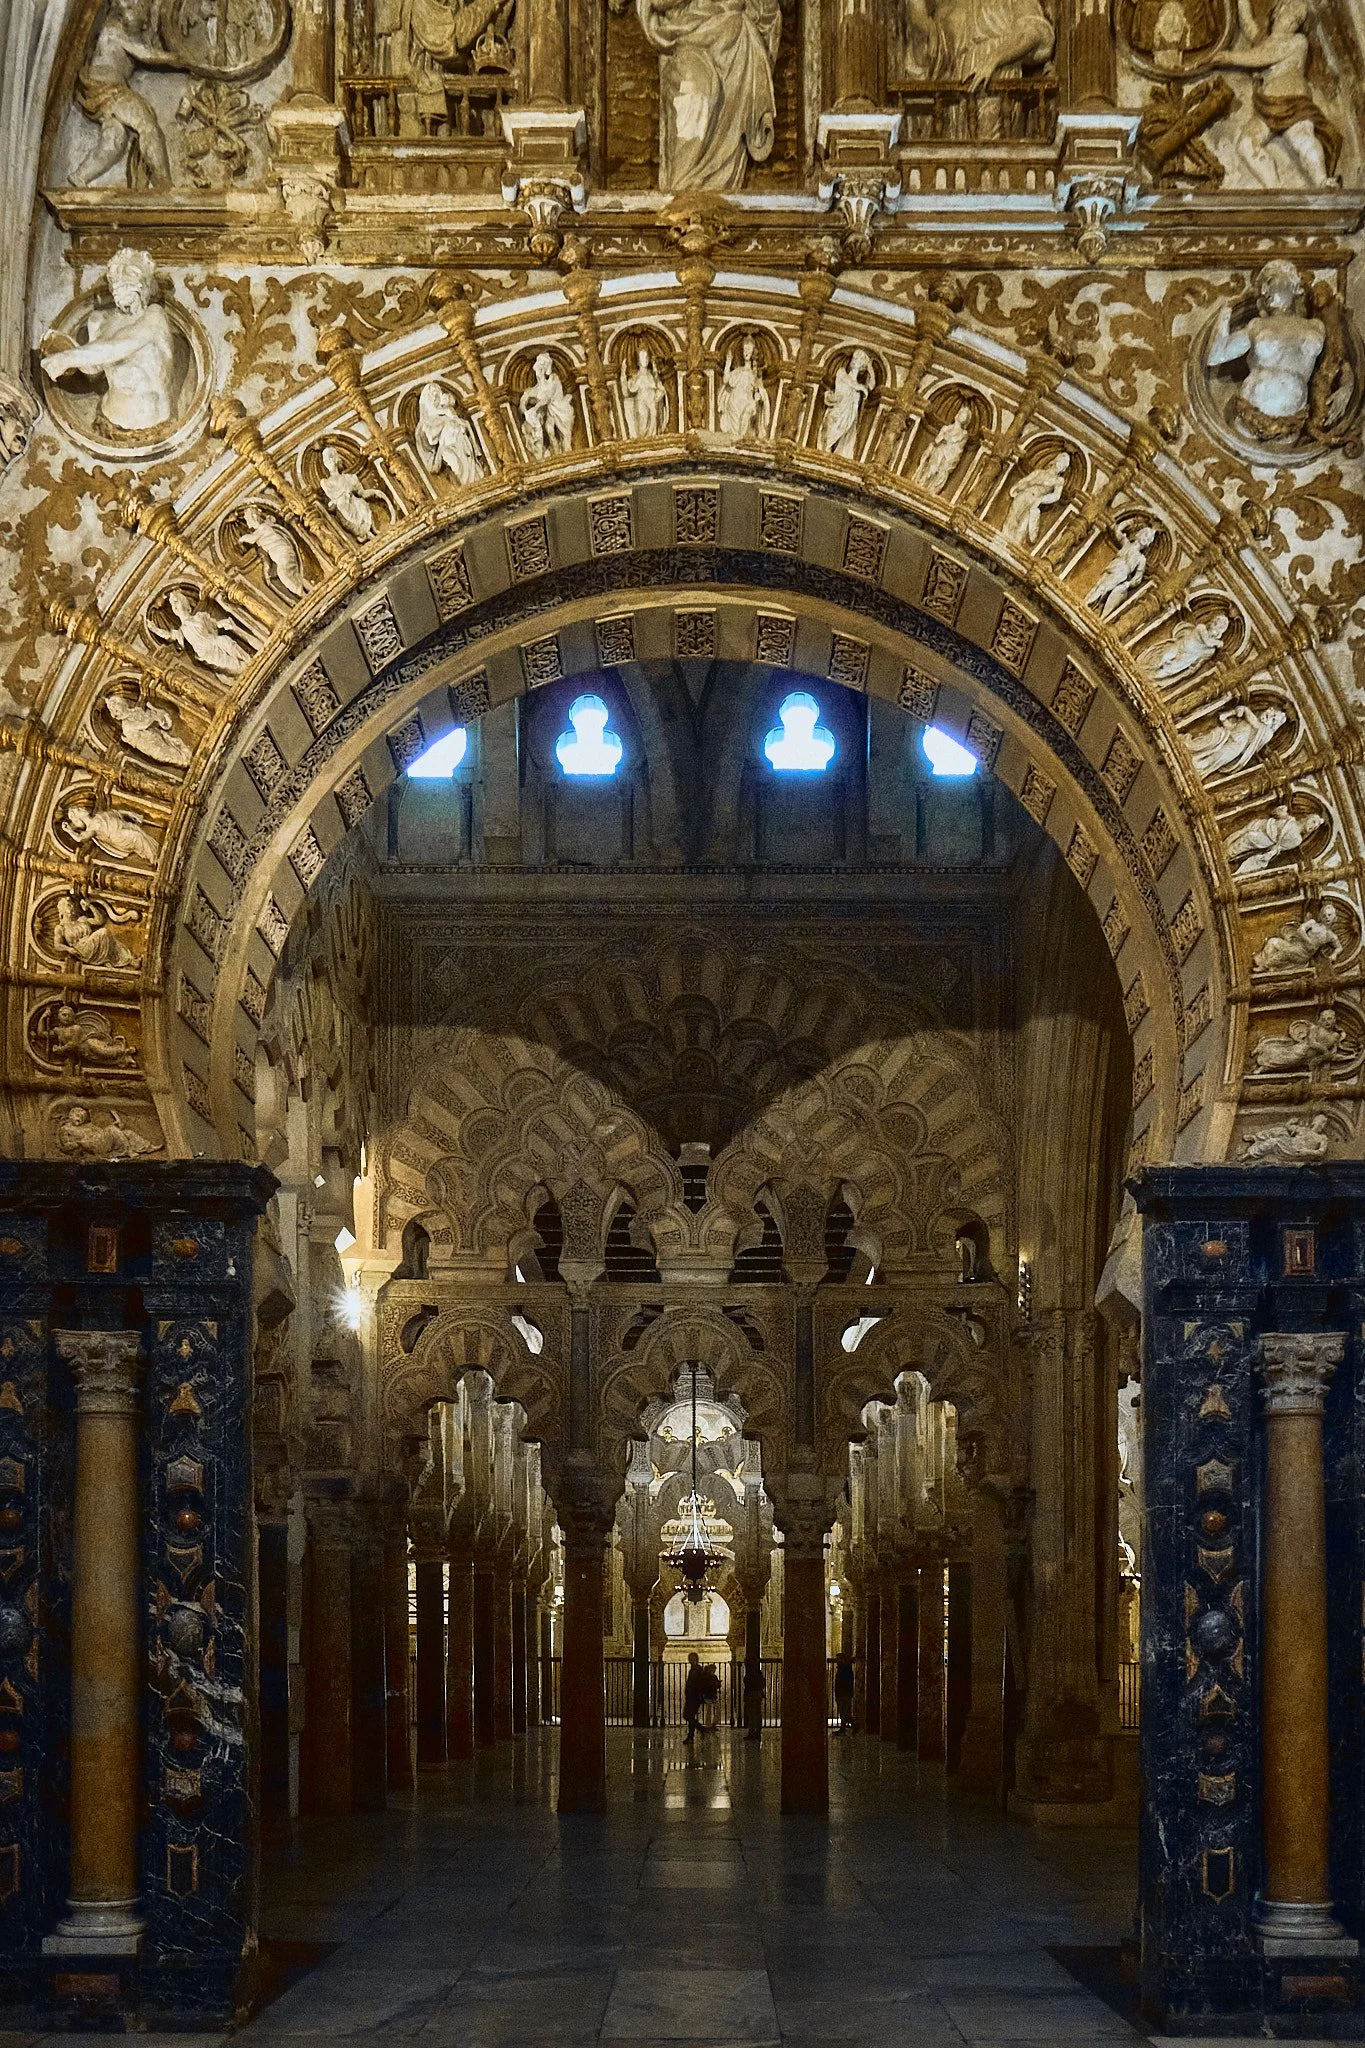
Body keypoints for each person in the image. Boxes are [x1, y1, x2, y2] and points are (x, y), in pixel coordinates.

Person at [833, 1651, 855, 1733]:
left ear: (842, 1659)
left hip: (844, 1693)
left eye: (838, 1658)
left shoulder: (845, 1668)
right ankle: (844, 1728)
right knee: (843, 1712)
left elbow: (845, 1681)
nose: (836, 1660)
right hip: (843, 1693)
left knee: (844, 1712)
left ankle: (853, 1724)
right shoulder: (844, 1668)